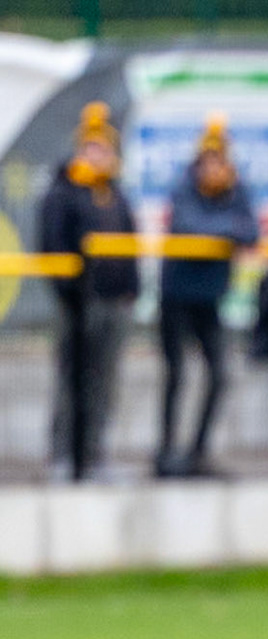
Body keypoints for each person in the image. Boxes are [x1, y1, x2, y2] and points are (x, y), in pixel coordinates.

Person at [155, 115, 260, 478]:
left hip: (209, 297)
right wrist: (227, 230)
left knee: (219, 373)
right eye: (209, 161)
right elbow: (187, 224)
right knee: (176, 375)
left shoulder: (236, 188)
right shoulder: (185, 185)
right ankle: (165, 452)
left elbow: (252, 231)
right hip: (177, 295)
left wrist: (224, 229)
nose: (214, 168)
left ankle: (197, 452)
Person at [39, 101, 136, 481]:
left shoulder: (115, 194)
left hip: (114, 302)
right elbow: (54, 246)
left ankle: (95, 454)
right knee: (71, 380)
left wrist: (131, 290)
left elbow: (129, 245)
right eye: (91, 148)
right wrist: (70, 292)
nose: (98, 156)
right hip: (78, 304)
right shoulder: (63, 191)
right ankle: (63, 454)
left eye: (104, 148)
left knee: (104, 381)